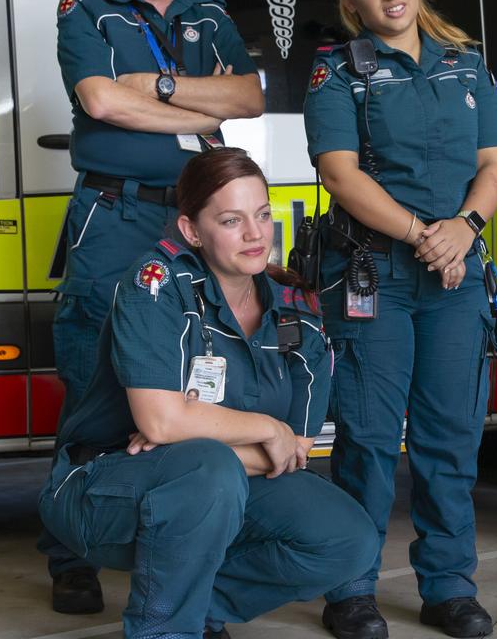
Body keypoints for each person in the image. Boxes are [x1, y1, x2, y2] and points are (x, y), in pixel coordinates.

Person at [38, 147, 378, 639]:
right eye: (231, 220)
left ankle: (195, 605)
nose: (255, 234)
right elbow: (161, 424)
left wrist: (194, 443)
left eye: (262, 215)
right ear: (192, 231)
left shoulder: (294, 310)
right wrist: (263, 430)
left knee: (349, 539)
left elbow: (294, 452)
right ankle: (164, 630)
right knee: (208, 470)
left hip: (213, 488)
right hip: (103, 489)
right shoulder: (155, 285)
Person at [44, 0, 264, 614]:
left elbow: (250, 99)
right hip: (114, 219)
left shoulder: (209, 10)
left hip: (197, 223)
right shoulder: (87, 6)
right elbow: (101, 100)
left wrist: (157, 87)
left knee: (201, 377)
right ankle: (70, 551)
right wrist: (198, 97)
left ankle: (180, 556)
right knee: (93, 382)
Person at [303, 0, 497, 637]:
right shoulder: (339, 71)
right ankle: (351, 588)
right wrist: (426, 234)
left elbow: (493, 164)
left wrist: (466, 230)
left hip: (457, 272)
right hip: (376, 274)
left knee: (450, 437)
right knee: (365, 438)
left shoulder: (465, 62)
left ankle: (449, 586)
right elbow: (340, 174)